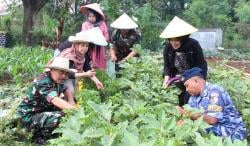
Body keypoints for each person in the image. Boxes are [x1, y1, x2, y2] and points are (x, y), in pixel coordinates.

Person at [17, 57, 77, 144]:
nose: (64, 76)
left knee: (68, 106)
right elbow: (55, 100)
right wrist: (75, 110)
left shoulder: (57, 79)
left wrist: (72, 102)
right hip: (28, 117)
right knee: (60, 116)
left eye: (66, 73)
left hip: (42, 110)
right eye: (61, 72)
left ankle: (52, 131)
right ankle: (39, 137)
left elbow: (65, 89)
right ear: (51, 70)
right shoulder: (43, 81)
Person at [176, 67, 247, 141]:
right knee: (185, 128)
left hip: (232, 131)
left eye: (187, 85)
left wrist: (185, 113)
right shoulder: (193, 98)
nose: (186, 90)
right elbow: (191, 118)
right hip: (215, 128)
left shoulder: (215, 92)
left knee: (198, 130)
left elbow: (212, 120)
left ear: (196, 81)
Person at [160, 16, 207, 106]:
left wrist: (192, 81)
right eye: (171, 40)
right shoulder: (167, 48)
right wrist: (166, 79)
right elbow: (167, 66)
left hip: (194, 77)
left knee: (190, 99)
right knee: (178, 99)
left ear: (183, 38)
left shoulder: (194, 45)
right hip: (177, 77)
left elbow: (201, 65)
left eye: (176, 40)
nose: (173, 43)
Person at [57, 29, 107, 95]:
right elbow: (69, 74)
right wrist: (85, 74)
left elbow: (87, 69)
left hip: (69, 76)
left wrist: (97, 81)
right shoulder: (70, 57)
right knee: (70, 91)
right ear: (76, 45)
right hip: (60, 76)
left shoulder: (82, 55)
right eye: (82, 45)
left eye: (87, 46)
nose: (85, 48)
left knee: (74, 89)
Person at [80, 3, 109, 70]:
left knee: (100, 67)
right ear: (87, 17)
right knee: (89, 64)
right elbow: (83, 34)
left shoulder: (102, 24)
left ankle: (100, 76)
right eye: (90, 17)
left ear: (97, 16)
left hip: (100, 47)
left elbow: (107, 36)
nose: (91, 18)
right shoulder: (85, 24)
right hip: (89, 47)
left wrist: (101, 39)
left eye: (93, 16)